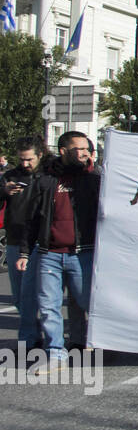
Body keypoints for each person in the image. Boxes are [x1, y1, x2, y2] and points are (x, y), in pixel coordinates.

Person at [17, 132, 100, 367]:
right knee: (48, 306)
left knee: (87, 302)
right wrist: (25, 252)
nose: (84, 153)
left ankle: (96, 341)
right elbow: (32, 218)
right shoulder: (45, 180)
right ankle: (55, 352)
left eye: (86, 149)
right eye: (79, 149)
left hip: (83, 253)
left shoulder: (95, 179)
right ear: (63, 151)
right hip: (49, 254)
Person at [3, 138, 46, 347]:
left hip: (40, 240)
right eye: (21, 160)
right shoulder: (10, 176)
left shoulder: (47, 176)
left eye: (29, 159)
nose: (25, 164)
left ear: (39, 156)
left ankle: (30, 338)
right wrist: (4, 191)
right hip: (15, 239)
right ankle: (34, 333)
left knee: (33, 293)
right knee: (20, 295)